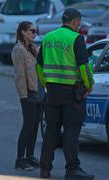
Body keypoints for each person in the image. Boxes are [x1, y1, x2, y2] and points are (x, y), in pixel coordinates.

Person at [36, 8, 95, 179]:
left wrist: (46, 83)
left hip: (53, 93)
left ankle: (45, 168)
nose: (79, 25)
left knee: (51, 131)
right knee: (71, 131)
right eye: (79, 22)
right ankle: (73, 170)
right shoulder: (76, 39)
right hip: (72, 93)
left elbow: (38, 66)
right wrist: (89, 85)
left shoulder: (48, 38)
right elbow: (84, 67)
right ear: (76, 21)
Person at [11, 21, 44, 171]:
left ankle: (30, 156)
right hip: (29, 93)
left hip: (39, 92)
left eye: (36, 31)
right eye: (32, 31)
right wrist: (23, 95)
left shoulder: (31, 49)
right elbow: (19, 75)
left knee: (35, 126)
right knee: (27, 126)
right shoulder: (19, 50)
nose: (34, 33)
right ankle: (20, 159)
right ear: (23, 32)